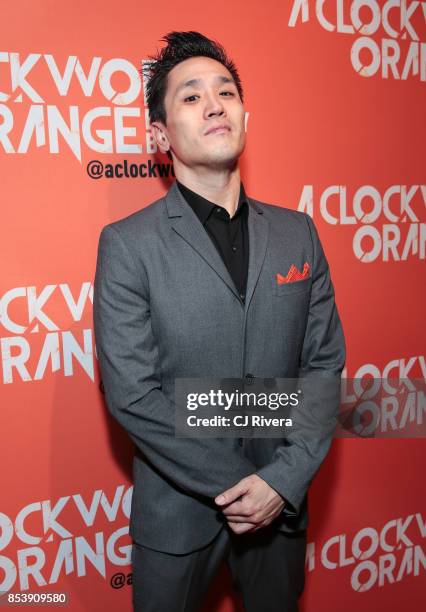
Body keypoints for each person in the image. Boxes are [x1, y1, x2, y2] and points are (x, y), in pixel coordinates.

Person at [93, 30, 345, 612]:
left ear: (243, 115)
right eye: (190, 96)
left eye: (225, 91)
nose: (213, 104)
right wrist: (245, 486)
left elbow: (325, 365)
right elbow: (133, 395)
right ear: (160, 136)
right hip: (177, 519)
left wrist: (282, 481)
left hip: (281, 509)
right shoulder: (128, 245)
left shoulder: (298, 232)